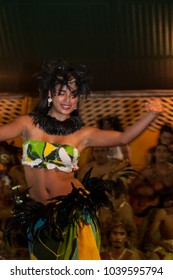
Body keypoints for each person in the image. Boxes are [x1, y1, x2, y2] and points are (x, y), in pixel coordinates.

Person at [0, 59, 163, 260]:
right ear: (50, 94)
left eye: (74, 94)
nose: (68, 99)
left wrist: (151, 115)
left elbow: (123, 138)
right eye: (62, 92)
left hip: (73, 212)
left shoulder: (82, 134)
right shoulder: (27, 124)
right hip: (39, 214)